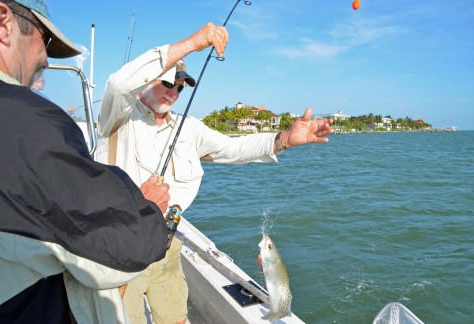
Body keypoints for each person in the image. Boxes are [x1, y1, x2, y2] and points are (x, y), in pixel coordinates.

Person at [96, 23, 334, 324]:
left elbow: (233, 149)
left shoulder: (189, 128)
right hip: (118, 246)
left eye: (181, 87)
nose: (174, 92)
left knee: (176, 319)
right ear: (147, 80)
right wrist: (193, 42)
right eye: (168, 82)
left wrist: (284, 139)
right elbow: (118, 84)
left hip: (164, 245)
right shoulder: (118, 115)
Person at [0, 1, 171, 323]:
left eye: (182, 86)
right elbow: (123, 249)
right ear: (2, 22)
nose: (45, 59)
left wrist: (283, 140)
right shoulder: (28, 119)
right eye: (44, 40)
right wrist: (148, 206)